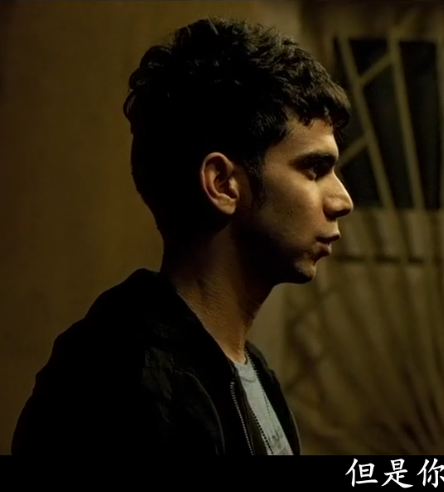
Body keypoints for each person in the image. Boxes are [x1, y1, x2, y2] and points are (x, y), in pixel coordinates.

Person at [11, 17, 353, 455]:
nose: (343, 200)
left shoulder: (248, 370)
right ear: (223, 184)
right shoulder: (125, 383)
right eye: (315, 169)